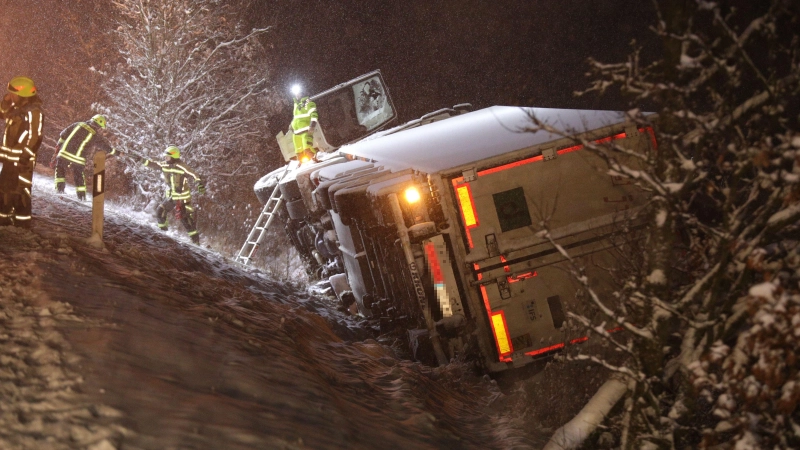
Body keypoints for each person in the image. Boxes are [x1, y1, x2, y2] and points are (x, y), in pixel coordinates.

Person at [0, 76, 44, 228]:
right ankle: (3, 220)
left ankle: (22, 225)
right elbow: (2, 114)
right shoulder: (16, 108)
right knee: (5, 190)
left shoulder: (34, 112)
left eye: (13, 94)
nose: (11, 96)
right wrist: (5, 102)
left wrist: (25, 157)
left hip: (21, 162)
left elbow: (36, 136)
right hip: (8, 160)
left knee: (20, 193)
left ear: (23, 94)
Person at [139, 145, 206, 244]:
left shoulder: (181, 166)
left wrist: (199, 183)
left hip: (182, 197)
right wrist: (140, 159)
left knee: (185, 220)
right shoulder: (164, 165)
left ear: (174, 156)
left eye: (167, 156)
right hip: (171, 196)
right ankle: (162, 235)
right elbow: (153, 164)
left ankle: (196, 242)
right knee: (160, 212)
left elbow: (194, 175)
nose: (165, 158)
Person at [52, 114, 122, 200]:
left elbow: (63, 135)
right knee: (78, 177)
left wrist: (58, 146)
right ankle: (81, 197)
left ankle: (60, 191)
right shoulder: (95, 135)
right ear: (99, 126)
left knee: (60, 171)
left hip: (64, 154)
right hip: (78, 159)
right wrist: (118, 153)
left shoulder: (77, 124)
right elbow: (105, 147)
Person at [290, 84, 319, 162]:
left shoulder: (308, 103)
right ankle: (302, 164)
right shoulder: (296, 104)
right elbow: (296, 116)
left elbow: (314, 115)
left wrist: (312, 126)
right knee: (299, 153)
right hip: (296, 133)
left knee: (308, 149)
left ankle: (314, 160)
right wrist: (292, 125)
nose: (297, 95)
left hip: (305, 131)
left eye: (299, 93)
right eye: (296, 94)